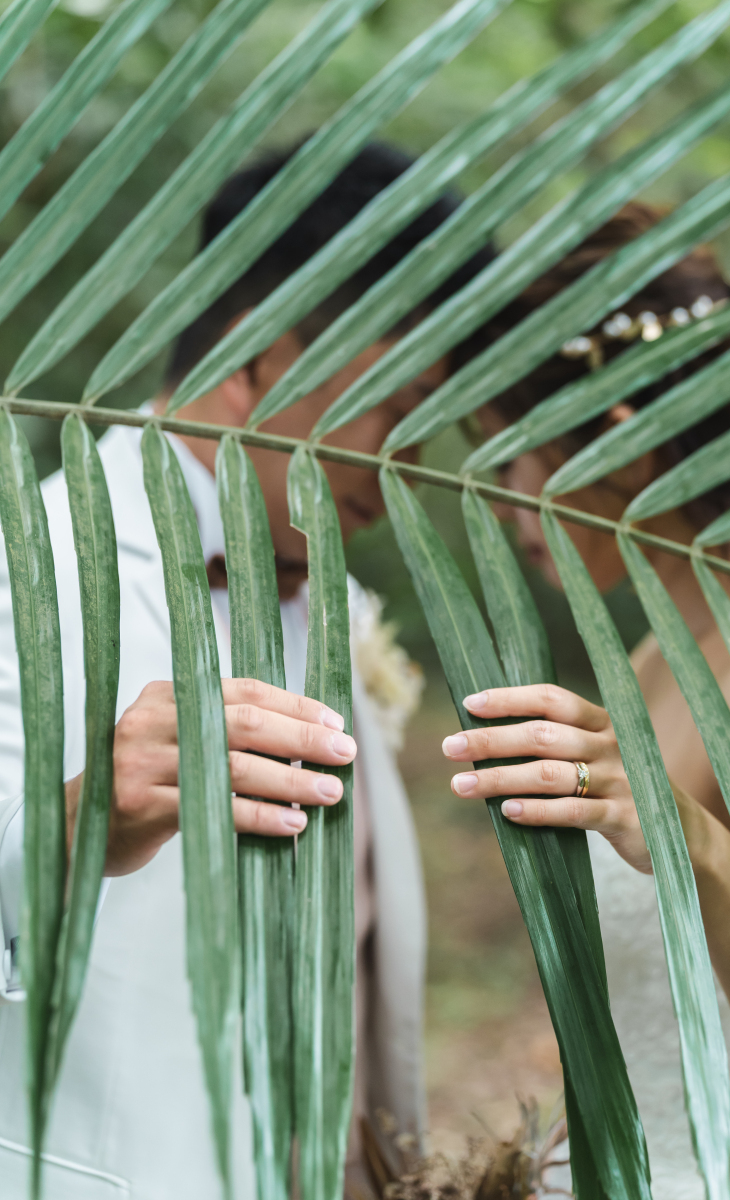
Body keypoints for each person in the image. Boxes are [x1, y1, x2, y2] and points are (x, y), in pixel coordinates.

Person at [0, 142, 493, 1199]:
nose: (411, 458)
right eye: (391, 405)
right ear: (255, 357)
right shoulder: (25, 568)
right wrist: (84, 821)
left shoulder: (330, 600)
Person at [441, 201, 730, 1198]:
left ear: (616, 440)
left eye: (510, 456)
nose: (500, 500)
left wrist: (699, 850)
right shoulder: (654, 658)